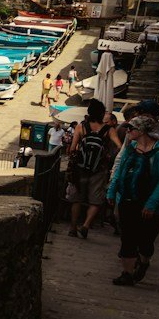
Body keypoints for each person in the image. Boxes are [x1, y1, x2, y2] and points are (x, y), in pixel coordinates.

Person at [107, 114, 159, 286]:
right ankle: (127, 274)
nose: (127, 131)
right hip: (128, 199)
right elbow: (120, 170)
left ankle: (144, 262)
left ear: (142, 131)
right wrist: (112, 191)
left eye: (131, 128)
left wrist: (151, 204)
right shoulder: (131, 148)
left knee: (145, 241)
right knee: (128, 238)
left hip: (151, 204)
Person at [67, 101, 108, 238]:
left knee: (76, 199)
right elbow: (120, 146)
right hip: (98, 169)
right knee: (95, 201)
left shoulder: (81, 126)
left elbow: (73, 148)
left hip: (80, 168)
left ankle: (73, 228)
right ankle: (85, 225)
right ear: (102, 113)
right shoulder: (108, 129)